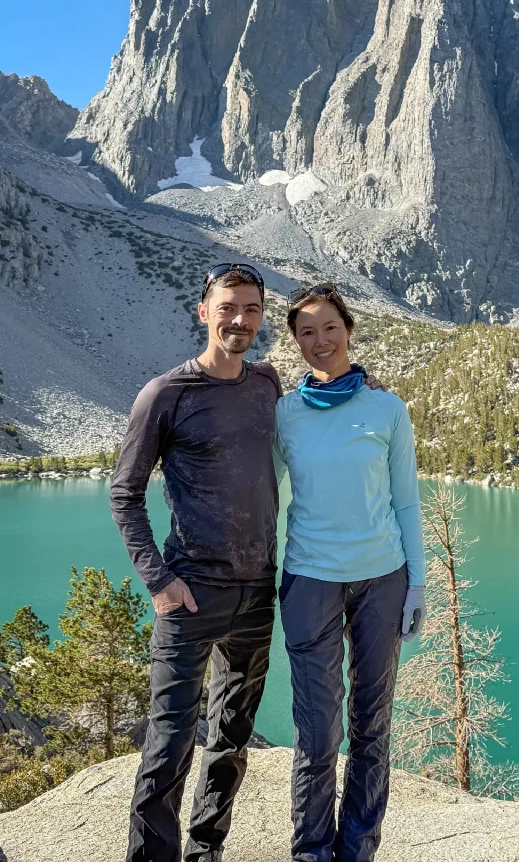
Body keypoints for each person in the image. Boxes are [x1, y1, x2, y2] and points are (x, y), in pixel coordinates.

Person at [110, 264, 384, 862]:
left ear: (263, 318)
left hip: (257, 593)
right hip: (191, 593)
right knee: (169, 742)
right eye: (228, 307)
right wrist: (158, 580)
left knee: (231, 738)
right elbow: (124, 494)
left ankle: (206, 849)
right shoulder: (165, 394)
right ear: (203, 310)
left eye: (252, 310)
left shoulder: (265, 385)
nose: (240, 320)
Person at [273, 283, 427, 862]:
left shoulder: (387, 408)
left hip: (382, 579)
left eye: (329, 327)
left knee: (371, 723)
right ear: (294, 341)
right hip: (309, 580)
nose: (320, 341)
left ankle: (358, 847)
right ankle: (311, 851)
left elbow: (406, 501)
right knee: (317, 732)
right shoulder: (284, 411)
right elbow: (262, 493)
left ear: (349, 329)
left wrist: (417, 583)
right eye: (306, 331)